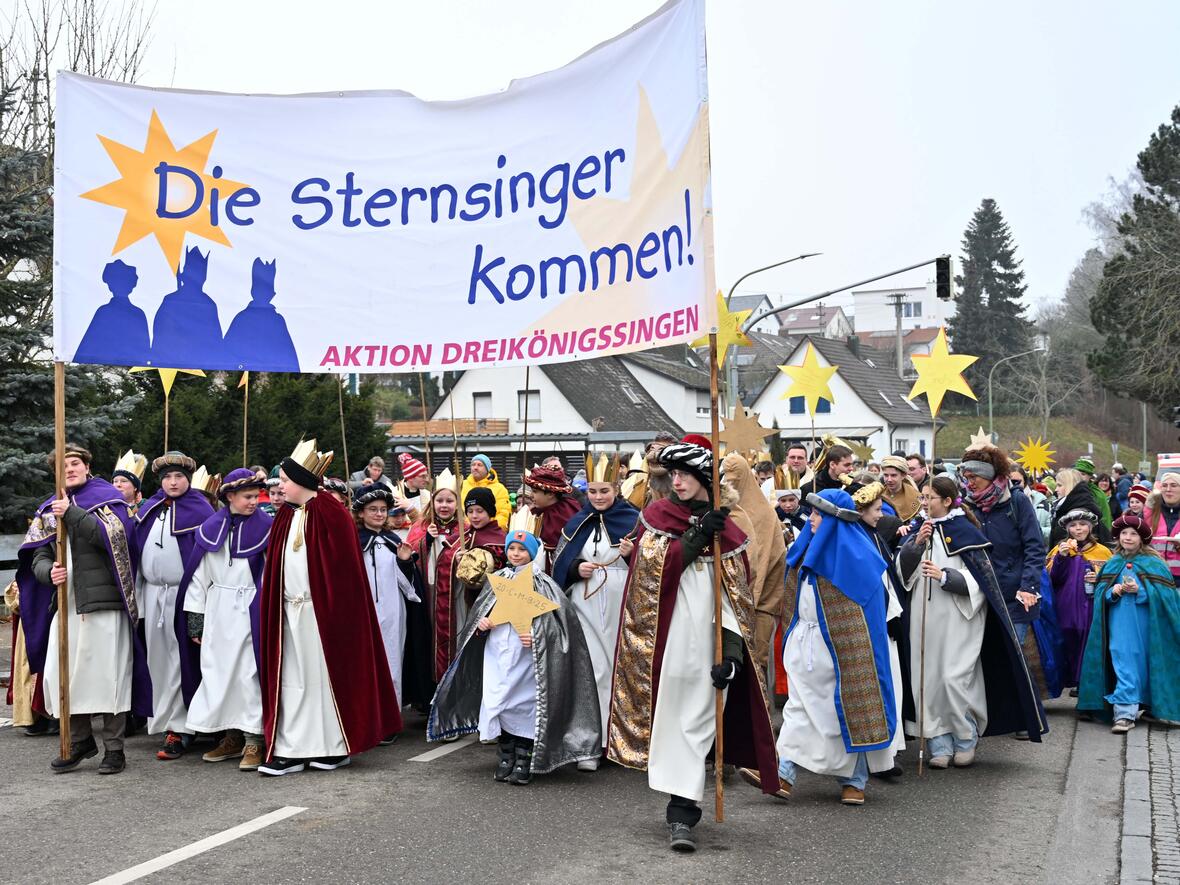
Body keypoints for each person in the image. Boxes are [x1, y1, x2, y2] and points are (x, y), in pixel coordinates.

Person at [608, 441, 778, 853]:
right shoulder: (657, 517)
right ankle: (681, 813)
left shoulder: (732, 533)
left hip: (710, 644)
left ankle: (684, 810)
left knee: (701, 723)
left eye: (686, 475)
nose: (677, 482)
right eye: (673, 476)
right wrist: (699, 535)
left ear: (706, 481)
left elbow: (736, 603)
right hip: (668, 642)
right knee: (675, 724)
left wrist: (733, 657)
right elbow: (654, 574)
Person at [258, 440, 401, 776]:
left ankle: (332, 747)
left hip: (323, 616)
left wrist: (335, 615)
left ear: (304, 482)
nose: (280, 486)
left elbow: (345, 577)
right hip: (289, 612)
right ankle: (291, 748)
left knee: (323, 680)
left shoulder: (332, 514)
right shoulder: (284, 516)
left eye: (286, 481)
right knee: (292, 681)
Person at [747, 488, 897, 804]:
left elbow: (869, 612)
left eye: (817, 514)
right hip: (806, 643)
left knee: (842, 712)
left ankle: (854, 780)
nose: (811, 519)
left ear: (832, 518)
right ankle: (782, 775)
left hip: (841, 650)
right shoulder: (806, 550)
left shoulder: (857, 557)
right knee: (798, 710)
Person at [17, 444, 150, 774]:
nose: (70, 469)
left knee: (109, 677)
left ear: (87, 466)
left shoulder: (106, 498)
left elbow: (114, 540)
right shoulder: (50, 507)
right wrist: (47, 571)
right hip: (66, 605)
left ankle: (114, 749)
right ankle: (79, 741)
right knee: (65, 677)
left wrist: (72, 513)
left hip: (104, 604)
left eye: (75, 463)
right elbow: (39, 554)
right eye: (63, 466)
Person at [429, 530, 601, 785]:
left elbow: (561, 626)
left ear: (531, 554)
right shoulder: (498, 579)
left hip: (527, 658)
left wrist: (537, 635)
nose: (516, 554)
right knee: (500, 700)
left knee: (525, 704)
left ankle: (526, 755)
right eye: (512, 549)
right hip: (498, 652)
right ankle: (506, 753)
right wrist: (482, 623)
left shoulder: (543, 584)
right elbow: (481, 611)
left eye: (522, 550)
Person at [898, 475, 1047, 767]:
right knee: (927, 679)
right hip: (923, 617)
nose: (924, 503)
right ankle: (939, 743)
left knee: (954, 679)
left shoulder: (966, 532)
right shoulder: (919, 529)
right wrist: (915, 546)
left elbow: (982, 582)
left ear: (947, 501)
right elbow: (900, 573)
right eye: (922, 498)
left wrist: (945, 577)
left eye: (929, 498)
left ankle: (965, 737)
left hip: (959, 616)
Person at [179, 468, 272, 771]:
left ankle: (254, 740)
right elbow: (198, 578)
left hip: (249, 609)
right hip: (218, 608)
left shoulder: (266, 527)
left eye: (256, 496)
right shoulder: (210, 528)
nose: (254, 502)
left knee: (248, 675)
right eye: (247, 497)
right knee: (218, 673)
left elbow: (270, 573)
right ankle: (230, 736)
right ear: (230, 497)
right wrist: (197, 618)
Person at [552, 455, 639, 770]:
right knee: (590, 669)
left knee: (620, 671)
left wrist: (634, 555)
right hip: (585, 603)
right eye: (593, 491)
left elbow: (653, 570)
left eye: (604, 490)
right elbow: (560, 563)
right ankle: (587, 742)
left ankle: (620, 742)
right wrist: (576, 568)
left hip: (621, 602)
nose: (598, 497)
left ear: (616, 487)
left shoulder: (633, 520)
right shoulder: (578, 521)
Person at [132, 451, 214, 760]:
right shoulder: (149, 509)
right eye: (167, 477)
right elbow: (136, 557)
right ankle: (162, 719)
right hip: (153, 595)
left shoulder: (200, 510)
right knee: (158, 659)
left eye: (179, 476)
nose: (173, 481)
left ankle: (182, 727)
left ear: (188, 479)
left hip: (184, 596)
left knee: (182, 659)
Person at [1078, 514, 1180, 732]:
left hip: (1149, 629)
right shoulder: (1113, 563)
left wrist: (1141, 591)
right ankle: (1124, 714)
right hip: (1120, 627)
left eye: (1133, 534)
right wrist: (1112, 592)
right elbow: (1100, 596)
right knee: (1123, 661)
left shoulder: (1154, 564)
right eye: (1124, 533)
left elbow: (1168, 598)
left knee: (1147, 665)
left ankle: (1152, 706)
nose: (1128, 537)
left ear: (1142, 538)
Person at [958, 446, 1046, 648]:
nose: (969, 483)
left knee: (1014, 655)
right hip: (980, 596)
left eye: (973, 477)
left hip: (1014, 596)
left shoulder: (1017, 501)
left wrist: (1028, 587)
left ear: (988, 475)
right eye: (966, 477)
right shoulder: (967, 505)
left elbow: (1035, 547)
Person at [850, 480, 911, 772]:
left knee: (892, 688)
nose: (880, 515)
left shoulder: (875, 534)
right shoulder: (858, 539)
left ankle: (887, 754)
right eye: (875, 510)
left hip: (888, 619)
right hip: (874, 624)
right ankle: (876, 759)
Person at [353, 485, 422, 718]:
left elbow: (406, 584)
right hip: (362, 609)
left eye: (383, 509)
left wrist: (404, 561)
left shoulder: (393, 540)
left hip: (392, 609)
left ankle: (389, 716)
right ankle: (366, 715)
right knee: (363, 661)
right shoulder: (352, 541)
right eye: (373, 509)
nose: (379, 514)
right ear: (361, 513)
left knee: (392, 657)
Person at [721, 452, 787, 677]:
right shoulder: (725, 511)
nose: (730, 485)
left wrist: (749, 599)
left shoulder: (764, 515)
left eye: (735, 479)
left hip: (759, 606)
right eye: (726, 479)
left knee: (755, 668)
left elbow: (762, 561)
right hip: (730, 602)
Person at [1047, 508, 1111, 695]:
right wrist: (1061, 558)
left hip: (1090, 608)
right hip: (1065, 607)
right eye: (1073, 525)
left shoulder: (1102, 551)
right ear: (1068, 530)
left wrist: (1098, 578)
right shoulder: (1059, 550)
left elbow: (1112, 578)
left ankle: (1085, 684)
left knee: (1088, 643)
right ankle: (1066, 679)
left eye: (1083, 524)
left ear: (1090, 528)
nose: (1078, 529)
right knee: (1066, 643)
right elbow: (1051, 579)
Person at [407, 471, 464, 684]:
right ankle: (430, 684)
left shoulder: (464, 529)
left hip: (454, 595)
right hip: (429, 591)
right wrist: (427, 541)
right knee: (430, 639)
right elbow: (411, 553)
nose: (444, 505)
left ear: (457, 504)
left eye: (449, 500)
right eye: (439, 500)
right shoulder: (423, 526)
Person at [454, 487, 508, 628]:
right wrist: (456, 561)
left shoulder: (500, 538)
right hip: (463, 600)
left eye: (480, 511)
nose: (474, 516)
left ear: (490, 511)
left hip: (488, 601)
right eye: (470, 511)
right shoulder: (463, 535)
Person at [524, 465, 582, 572]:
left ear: (550, 493)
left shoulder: (565, 514)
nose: (531, 495)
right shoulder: (535, 512)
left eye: (535, 492)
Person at [1050, 468, 1112, 546]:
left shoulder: (1078, 514)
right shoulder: (1065, 507)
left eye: (1059, 485)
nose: (1056, 489)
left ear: (1070, 485)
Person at [1143, 473, 1180, 582]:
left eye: (1174, 485)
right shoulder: (1148, 512)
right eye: (1164, 485)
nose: (1168, 489)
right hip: (1154, 577)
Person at [459, 454, 512, 530]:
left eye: (480, 465)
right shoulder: (462, 485)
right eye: (473, 465)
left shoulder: (500, 488)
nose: (475, 467)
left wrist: (492, 530)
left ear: (488, 469)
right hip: (464, 532)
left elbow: (503, 514)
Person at [1073, 458, 1113, 534]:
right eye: (1077, 474)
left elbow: (1104, 519)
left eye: (1083, 474)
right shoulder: (1068, 490)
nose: (1079, 477)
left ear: (1090, 477)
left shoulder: (1097, 494)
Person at [879, 455, 921, 523]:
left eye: (893, 475)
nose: (889, 479)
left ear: (903, 475)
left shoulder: (916, 497)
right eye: (886, 475)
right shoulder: (878, 493)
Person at [393, 453, 431, 520]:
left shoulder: (429, 496)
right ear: (410, 478)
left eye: (426, 476)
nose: (427, 480)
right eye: (423, 476)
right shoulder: (394, 494)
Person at [110, 450, 147, 515]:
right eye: (115, 481)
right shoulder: (106, 506)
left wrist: (141, 507)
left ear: (135, 487)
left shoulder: (148, 507)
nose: (118, 485)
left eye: (124, 481)